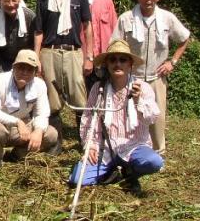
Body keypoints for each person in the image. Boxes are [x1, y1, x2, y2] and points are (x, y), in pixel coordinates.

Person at [68, 40, 164, 194]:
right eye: (113, 60)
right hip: (105, 148)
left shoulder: (142, 87)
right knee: (77, 179)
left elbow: (151, 118)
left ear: (130, 64)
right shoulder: (98, 89)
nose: (117, 64)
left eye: (122, 60)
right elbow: (88, 120)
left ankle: (130, 172)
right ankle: (111, 172)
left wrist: (139, 100)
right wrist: (90, 145)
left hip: (134, 146)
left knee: (154, 162)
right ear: (107, 64)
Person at [111, 0, 190, 155]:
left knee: (157, 116)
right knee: (129, 113)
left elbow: (184, 38)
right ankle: (127, 150)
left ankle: (158, 152)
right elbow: (115, 45)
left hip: (156, 77)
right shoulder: (126, 18)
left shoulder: (167, 18)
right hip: (132, 77)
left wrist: (172, 62)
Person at [34, 0, 94, 146]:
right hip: (49, 51)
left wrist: (89, 56)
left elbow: (87, 26)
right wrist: (36, 58)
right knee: (52, 97)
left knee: (79, 96)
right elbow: (39, 31)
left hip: (73, 51)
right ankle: (55, 142)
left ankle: (85, 140)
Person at [0, 50, 59, 170]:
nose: (24, 73)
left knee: (51, 134)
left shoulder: (39, 85)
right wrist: (17, 122)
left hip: (23, 127)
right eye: (21, 68)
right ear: (14, 67)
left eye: (29, 70)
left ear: (35, 72)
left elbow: (42, 113)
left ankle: (19, 154)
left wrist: (38, 130)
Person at [76, 0, 117, 92]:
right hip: (80, 58)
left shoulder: (106, 0)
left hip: (104, 58)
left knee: (105, 94)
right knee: (83, 98)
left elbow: (115, 28)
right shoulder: (73, 0)